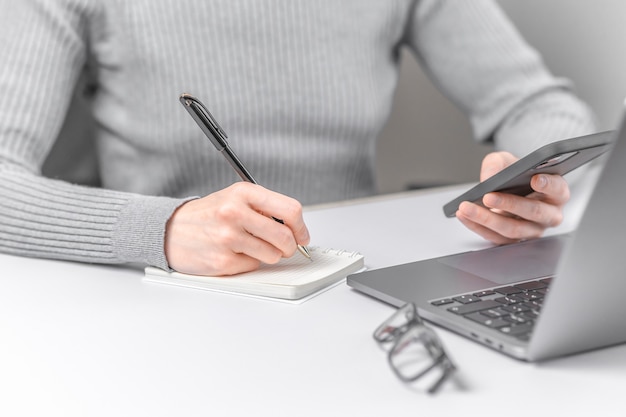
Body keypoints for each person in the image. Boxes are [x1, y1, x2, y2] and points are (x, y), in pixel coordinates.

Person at [0, 0, 596, 276]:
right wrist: (164, 227)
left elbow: (540, 104)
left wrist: (532, 181)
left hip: (352, 283)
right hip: (167, 298)